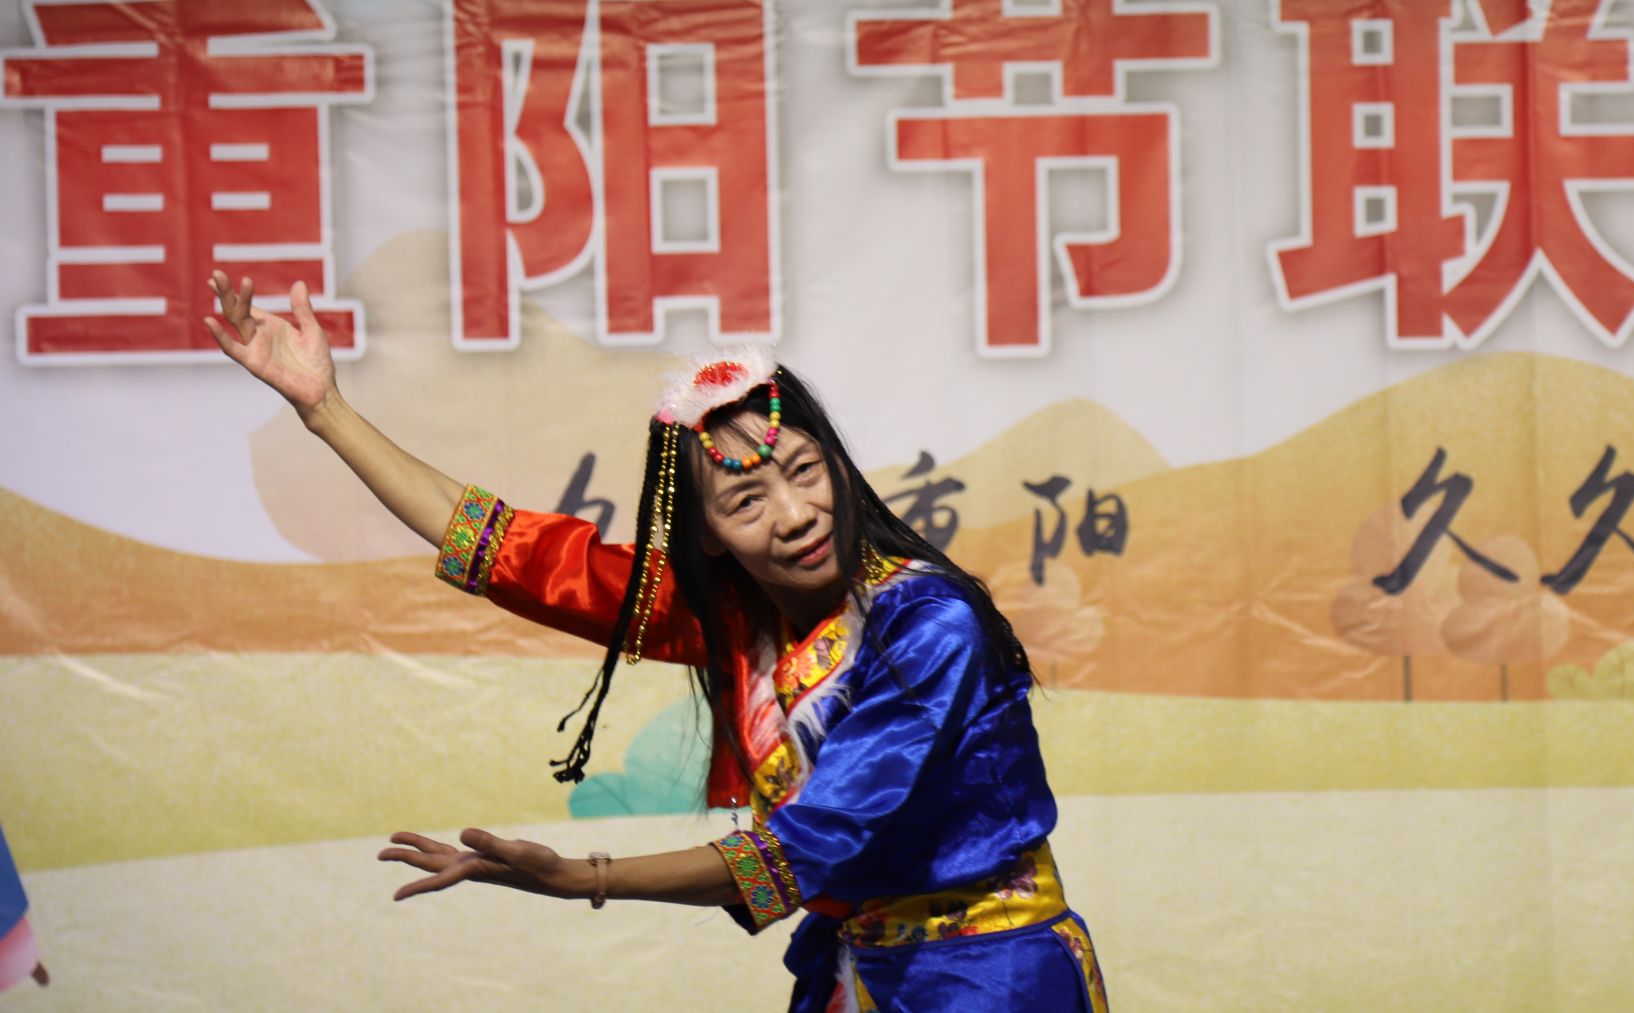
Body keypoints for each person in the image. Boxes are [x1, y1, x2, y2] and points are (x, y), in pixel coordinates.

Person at [204, 274, 1109, 1012]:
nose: (795, 514)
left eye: (804, 470)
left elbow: (814, 840)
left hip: (991, 975)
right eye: (747, 500)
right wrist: (325, 411)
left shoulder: (927, 624)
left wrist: (582, 877)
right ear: (707, 534)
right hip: (857, 970)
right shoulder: (742, 622)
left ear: (837, 461)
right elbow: (518, 556)